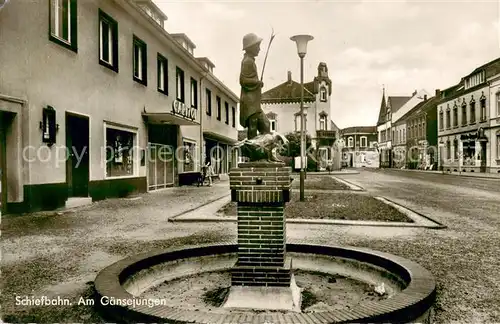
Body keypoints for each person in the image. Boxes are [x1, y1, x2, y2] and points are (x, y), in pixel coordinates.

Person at [239, 33, 271, 140]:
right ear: (251, 47)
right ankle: (252, 154)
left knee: (266, 125)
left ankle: (260, 150)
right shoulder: (247, 62)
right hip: (250, 104)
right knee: (253, 130)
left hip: (254, 104)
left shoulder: (250, 61)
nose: (259, 48)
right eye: (257, 46)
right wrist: (257, 82)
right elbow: (243, 80)